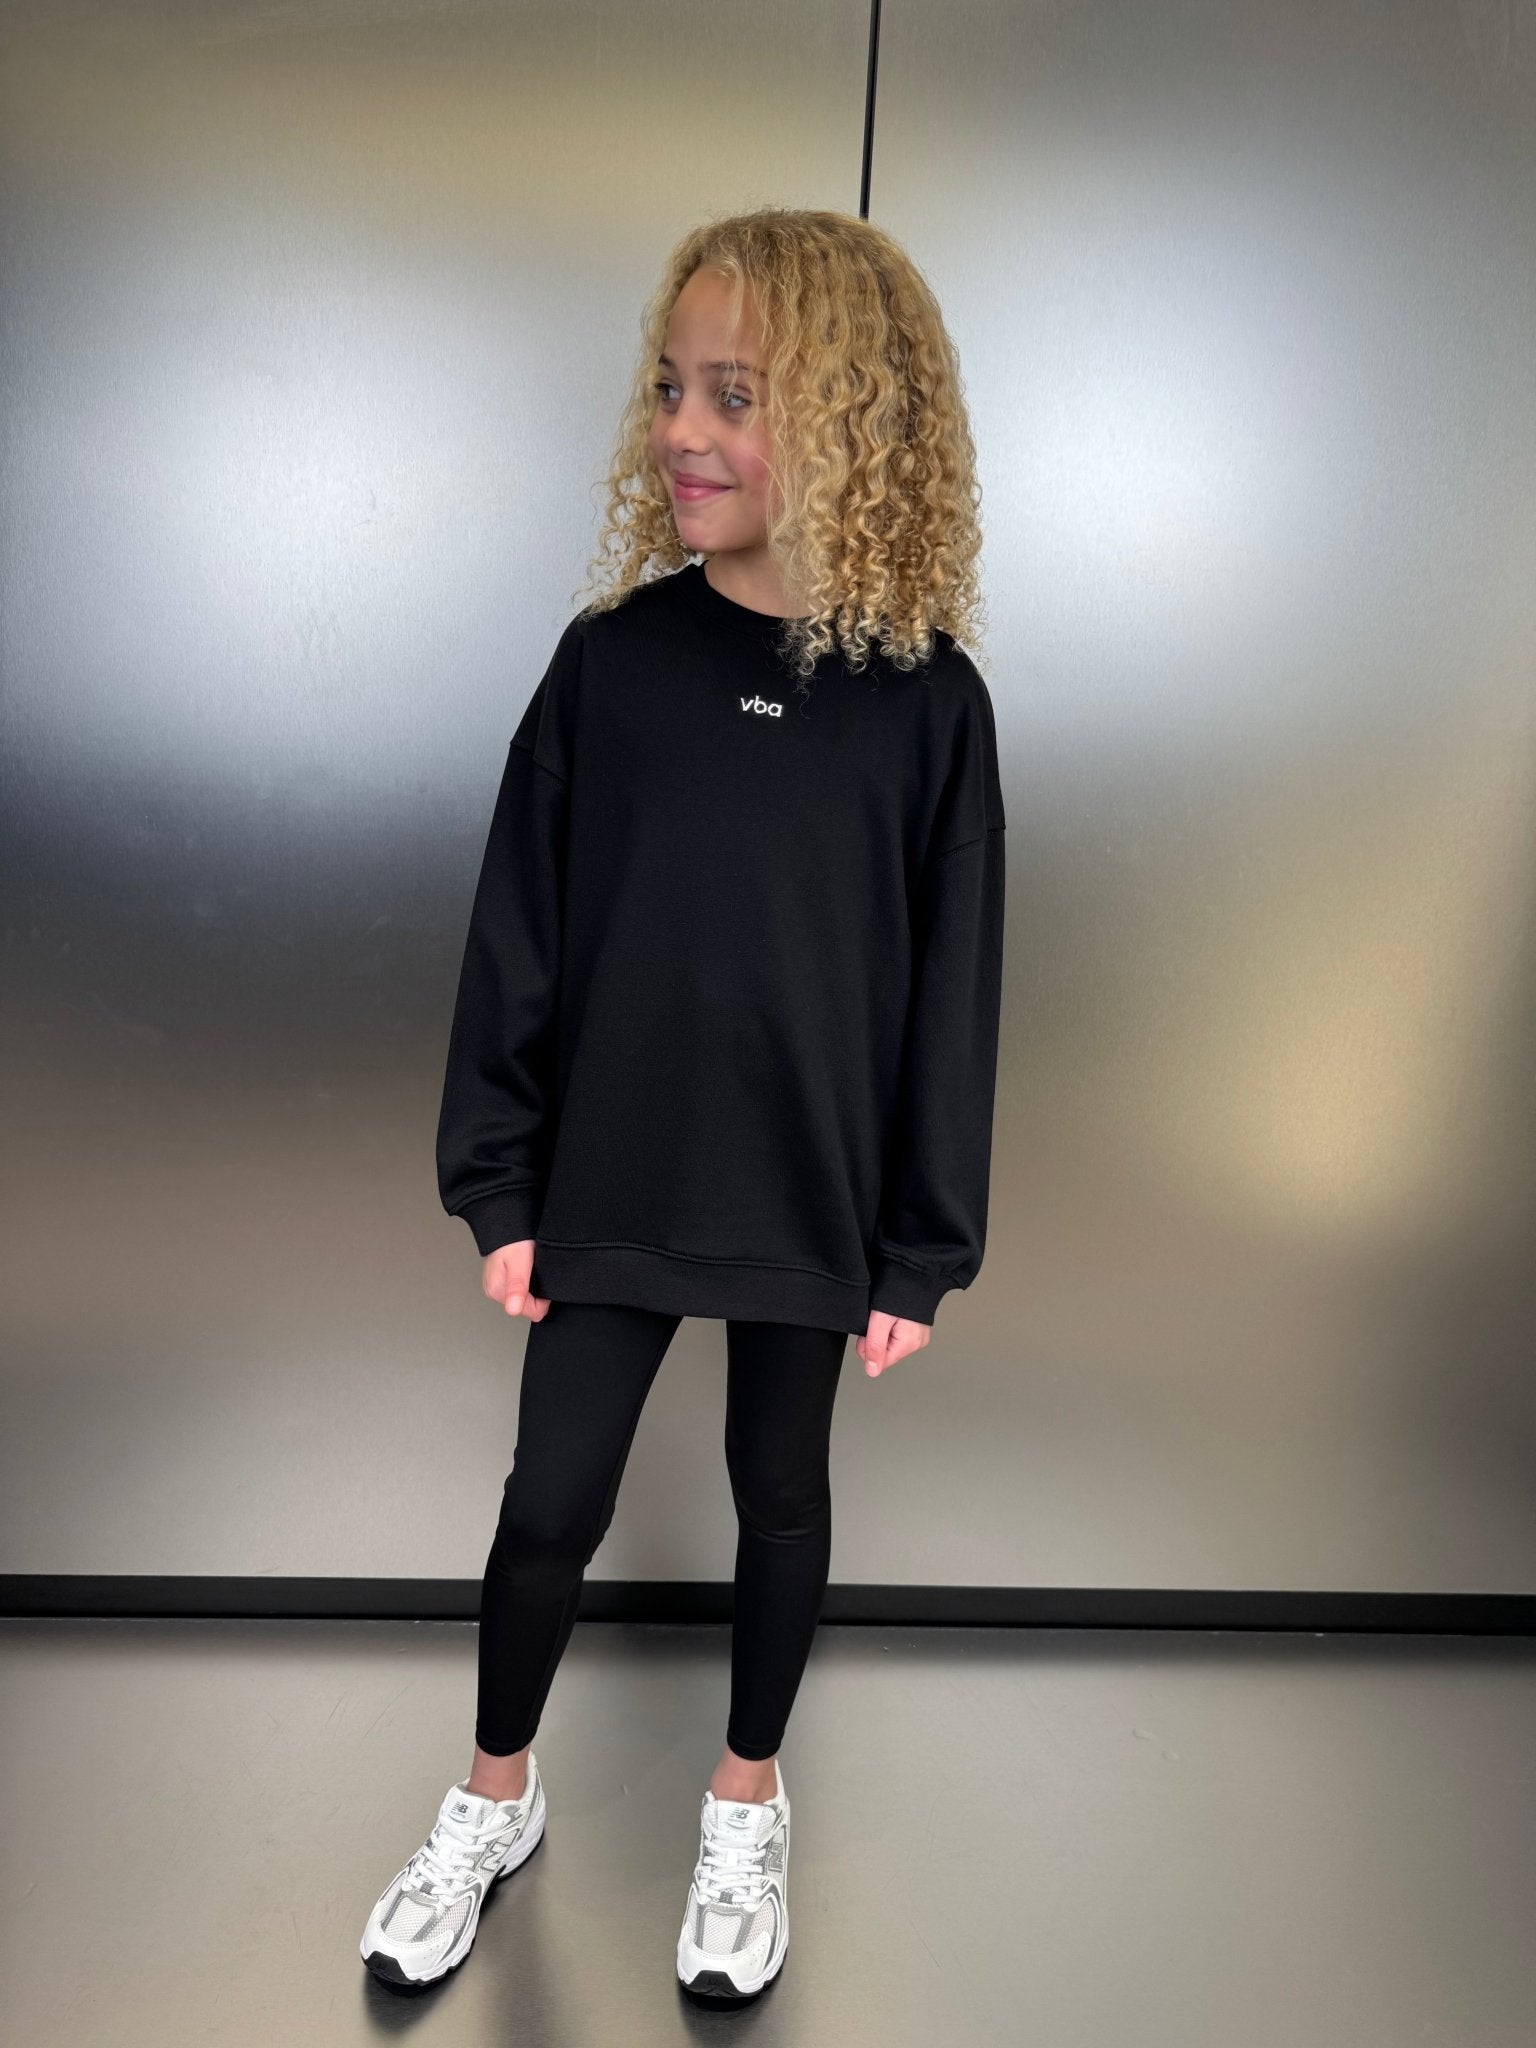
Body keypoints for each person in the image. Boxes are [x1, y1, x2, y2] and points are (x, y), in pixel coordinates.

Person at [361, 206, 1006, 2003]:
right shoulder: (612, 666)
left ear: (854, 421)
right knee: (548, 1504)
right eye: (671, 389)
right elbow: (518, 937)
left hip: (811, 1189)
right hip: (617, 1172)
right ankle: (495, 1797)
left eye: (736, 395)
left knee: (777, 1492)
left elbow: (952, 1000)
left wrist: (920, 1247)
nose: (682, 434)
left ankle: (745, 1800)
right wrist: (499, 1185)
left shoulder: (928, 710)